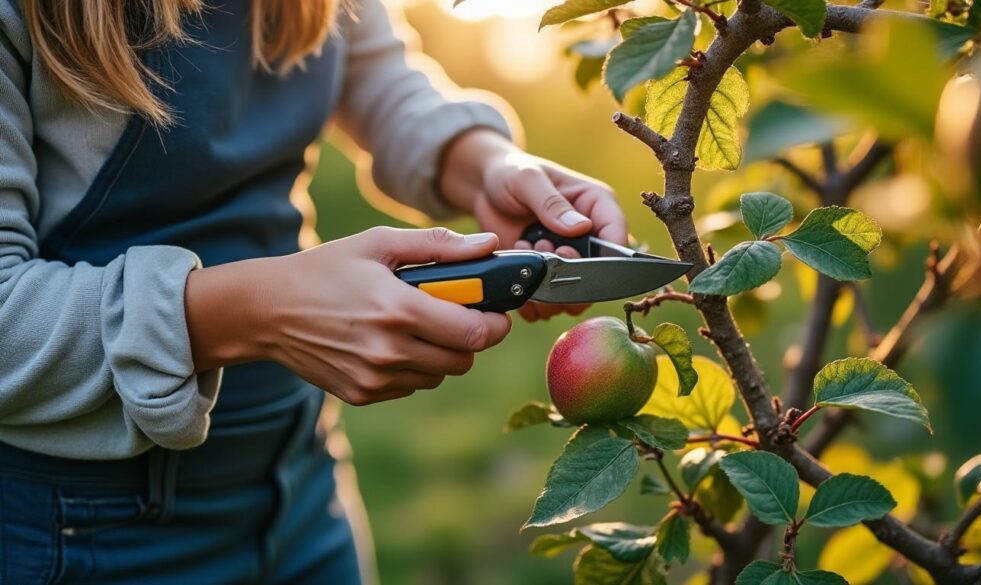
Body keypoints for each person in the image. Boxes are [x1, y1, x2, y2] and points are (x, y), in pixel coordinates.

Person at [0, 0, 627, 583]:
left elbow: (373, 72)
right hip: (75, 525)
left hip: (300, 478)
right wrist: (264, 312)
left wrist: (487, 162)